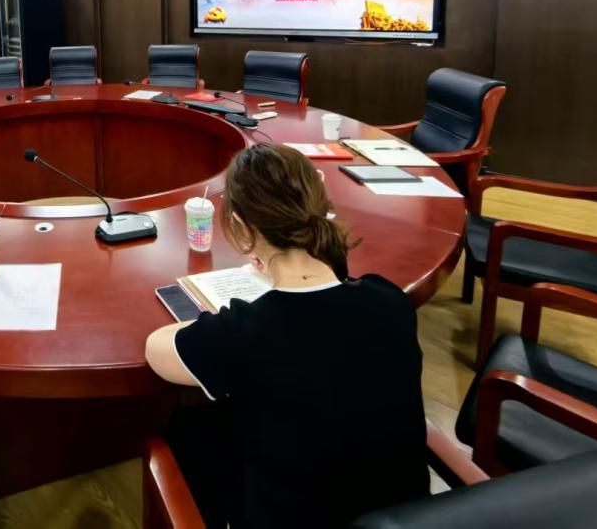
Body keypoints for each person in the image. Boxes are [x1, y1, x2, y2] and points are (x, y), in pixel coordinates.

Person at [144, 143, 428, 528]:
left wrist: (228, 319)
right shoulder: (390, 301)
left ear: (242, 227)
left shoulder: (245, 333)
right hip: (409, 519)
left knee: (189, 429)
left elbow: (157, 348)